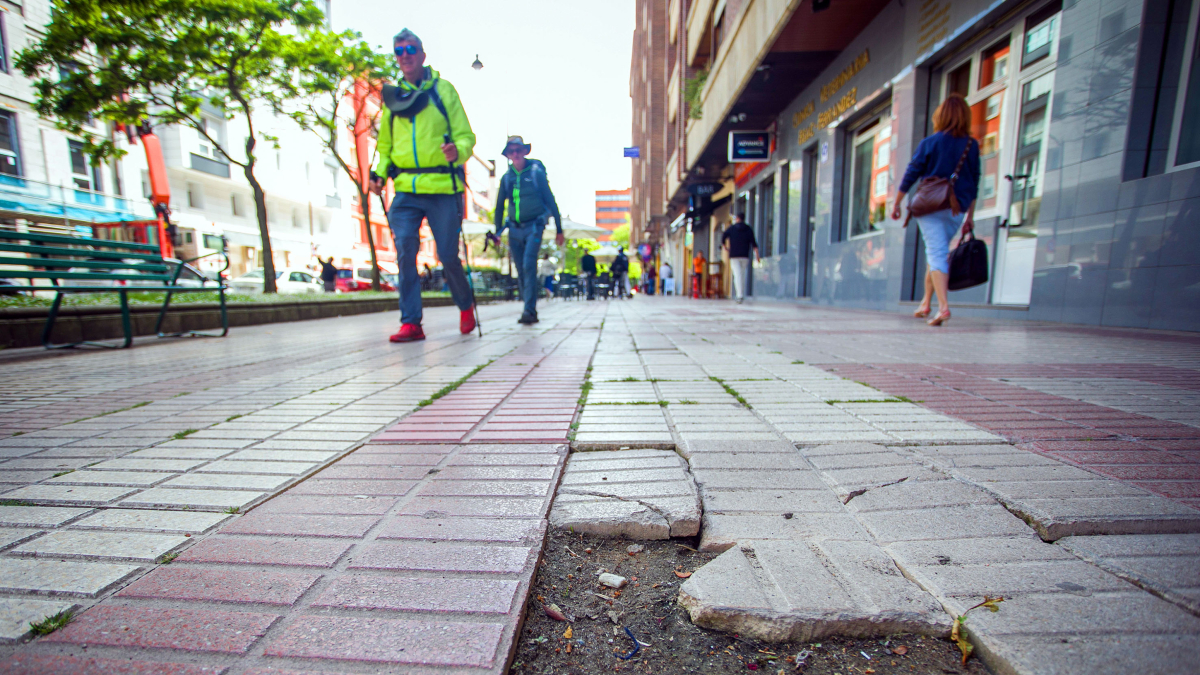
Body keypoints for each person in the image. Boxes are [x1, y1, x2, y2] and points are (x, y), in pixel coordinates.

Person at [369, 28, 477, 343]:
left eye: (410, 49)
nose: (405, 55)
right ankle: (411, 322)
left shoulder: (443, 91)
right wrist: (378, 172)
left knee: (446, 254)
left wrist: (458, 151)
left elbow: (466, 135)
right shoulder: (393, 98)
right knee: (405, 249)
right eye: (399, 50)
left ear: (422, 54)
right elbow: (385, 146)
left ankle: (465, 303)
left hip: (443, 187)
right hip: (405, 189)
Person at [892, 93, 980, 327]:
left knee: (936, 252)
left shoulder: (931, 143)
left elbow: (911, 172)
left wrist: (897, 202)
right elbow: (974, 182)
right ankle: (925, 302)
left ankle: (943, 308)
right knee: (936, 252)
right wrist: (970, 215)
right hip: (956, 208)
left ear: (940, 116)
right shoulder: (971, 146)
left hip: (930, 206)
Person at [492, 135, 564, 324]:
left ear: (525, 151)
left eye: (518, 150)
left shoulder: (535, 174)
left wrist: (559, 229)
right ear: (508, 155)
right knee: (521, 270)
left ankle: (529, 310)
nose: (515, 154)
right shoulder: (506, 179)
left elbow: (550, 200)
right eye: (511, 151)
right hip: (514, 230)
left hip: (534, 226)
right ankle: (528, 306)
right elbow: (499, 206)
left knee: (528, 265)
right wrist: (497, 231)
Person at [721, 214, 759, 304]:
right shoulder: (748, 229)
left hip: (734, 255)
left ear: (737, 218)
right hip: (745, 255)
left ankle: (739, 295)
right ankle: (740, 294)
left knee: (737, 275)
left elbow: (724, 236)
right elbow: (754, 243)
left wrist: (724, 246)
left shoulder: (732, 228)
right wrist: (757, 255)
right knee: (741, 274)